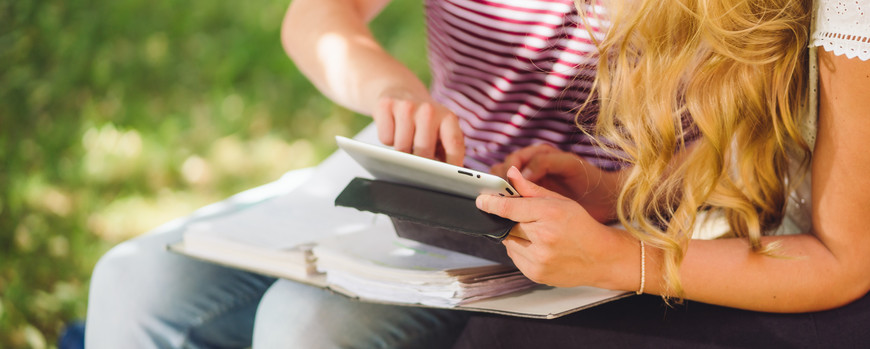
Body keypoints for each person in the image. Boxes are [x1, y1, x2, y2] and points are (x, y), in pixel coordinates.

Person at [86, 0, 617, 347]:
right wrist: (396, 95)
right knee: (130, 280)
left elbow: (703, 158)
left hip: (605, 210)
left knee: (305, 326)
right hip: (432, 171)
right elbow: (317, 17)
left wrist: (618, 193)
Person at [451, 0, 870, 346]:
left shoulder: (853, 15)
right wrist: (621, 192)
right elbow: (786, 138)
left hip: (835, 293)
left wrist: (613, 257)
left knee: (505, 335)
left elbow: (845, 265)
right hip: (773, 246)